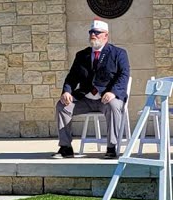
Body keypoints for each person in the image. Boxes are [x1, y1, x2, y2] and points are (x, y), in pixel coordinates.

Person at [53, 20, 131, 159]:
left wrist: (113, 92)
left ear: (106, 36)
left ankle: (112, 147)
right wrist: (66, 91)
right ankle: (65, 147)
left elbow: (124, 75)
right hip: (86, 98)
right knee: (62, 106)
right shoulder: (82, 55)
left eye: (97, 33)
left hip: (107, 99)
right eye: (91, 32)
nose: (93, 35)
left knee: (113, 106)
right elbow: (72, 77)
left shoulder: (118, 53)